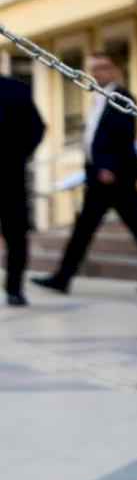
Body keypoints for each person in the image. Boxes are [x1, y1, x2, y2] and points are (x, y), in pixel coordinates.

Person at [31, 54, 137, 296]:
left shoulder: (121, 97)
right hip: (98, 176)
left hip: (115, 178)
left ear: (116, 70)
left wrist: (109, 168)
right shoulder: (97, 98)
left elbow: (124, 135)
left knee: (136, 227)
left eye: (104, 68)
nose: (98, 73)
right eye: (94, 69)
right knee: (85, 229)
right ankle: (62, 277)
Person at [0, 73, 45, 307]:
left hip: (10, 176)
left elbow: (37, 127)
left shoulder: (16, 89)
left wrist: (18, 156)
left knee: (16, 234)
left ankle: (14, 289)